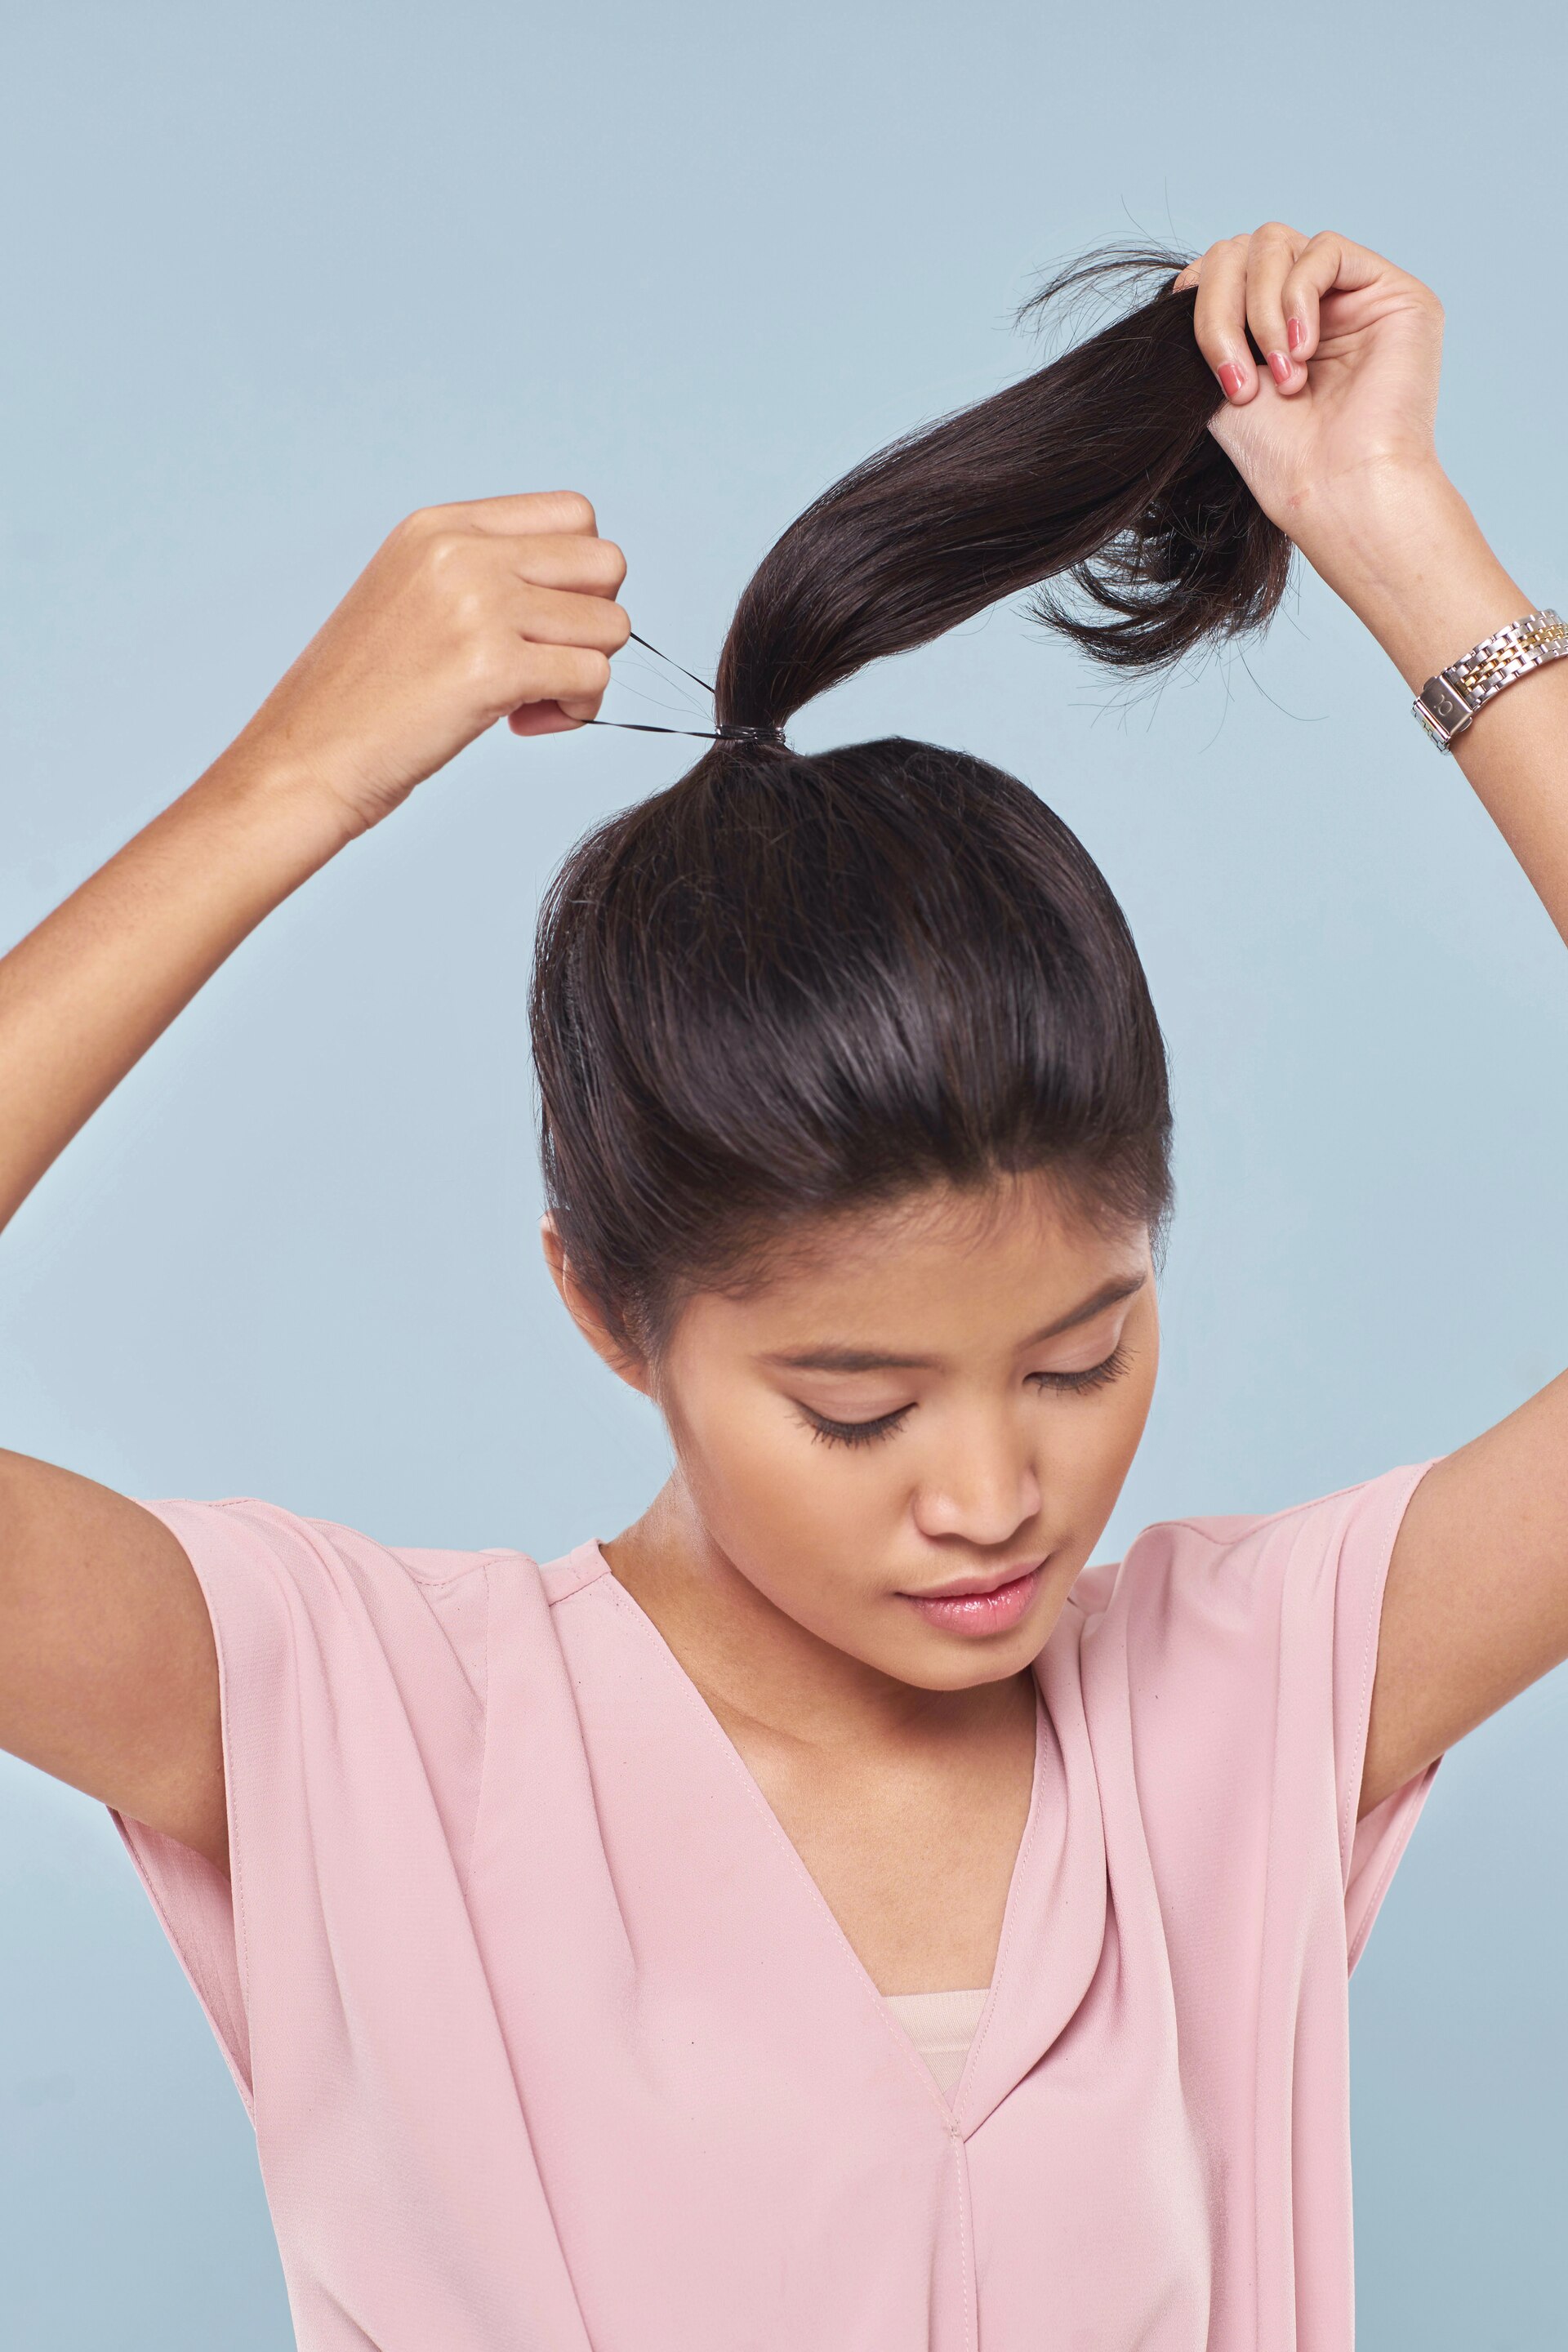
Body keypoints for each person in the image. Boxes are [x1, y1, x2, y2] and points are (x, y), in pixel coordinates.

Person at [1, 220, 1564, 2351]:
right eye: (858, 1405)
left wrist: (1406, 546)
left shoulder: (1252, 1697)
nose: (995, 1491)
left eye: (1083, 1357)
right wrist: (295, 783)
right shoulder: (355, 1725)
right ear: (606, 1310)